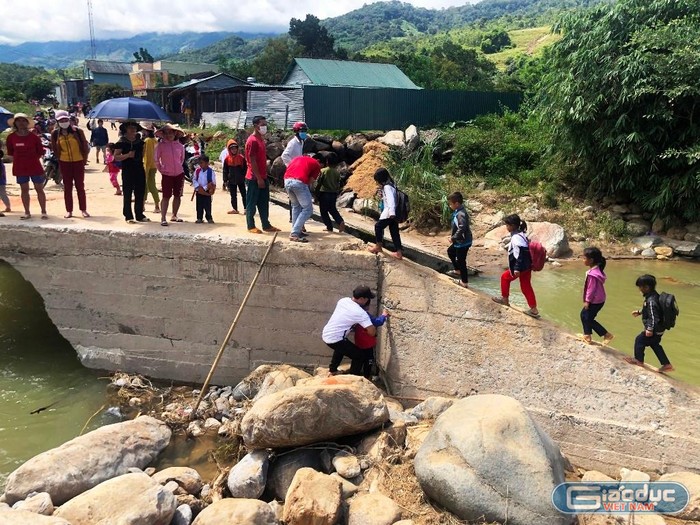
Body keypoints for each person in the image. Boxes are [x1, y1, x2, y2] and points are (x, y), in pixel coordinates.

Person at [322, 286, 379, 376]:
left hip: (327, 334)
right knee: (359, 356)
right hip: (336, 338)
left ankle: (332, 370)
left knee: (340, 348)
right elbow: (371, 332)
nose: (368, 301)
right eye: (367, 299)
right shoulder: (360, 313)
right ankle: (353, 377)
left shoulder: (343, 301)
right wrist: (374, 333)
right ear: (361, 299)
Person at [491, 214, 539, 318]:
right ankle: (534, 309)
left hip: (521, 267)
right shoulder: (522, 234)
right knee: (526, 286)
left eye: (507, 225)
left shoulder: (516, 237)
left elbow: (521, 253)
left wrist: (516, 268)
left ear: (512, 225)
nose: (506, 227)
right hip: (527, 266)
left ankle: (505, 299)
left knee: (504, 278)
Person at [625, 274, 674, 372]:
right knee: (655, 344)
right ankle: (667, 364)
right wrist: (640, 312)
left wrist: (649, 329)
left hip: (654, 328)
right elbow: (653, 310)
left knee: (639, 340)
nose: (639, 289)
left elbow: (653, 316)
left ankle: (638, 360)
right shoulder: (655, 296)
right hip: (660, 328)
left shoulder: (651, 300)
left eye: (640, 287)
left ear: (646, 287)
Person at [6, 113, 48, 220]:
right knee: (24, 189)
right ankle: (27, 212)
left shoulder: (34, 137)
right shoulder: (11, 138)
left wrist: (32, 159)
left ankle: (43, 211)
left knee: (39, 188)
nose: (21, 123)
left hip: (35, 167)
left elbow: (40, 151)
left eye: (23, 120)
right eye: (18, 121)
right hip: (20, 168)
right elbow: (10, 153)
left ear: (27, 123)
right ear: (15, 123)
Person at [245, 115, 280, 234]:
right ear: (255, 126)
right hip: (254, 177)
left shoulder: (261, 139)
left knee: (264, 202)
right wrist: (259, 178)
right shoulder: (252, 141)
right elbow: (252, 160)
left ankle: (266, 224)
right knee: (252, 202)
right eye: (262, 125)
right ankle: (250, 225)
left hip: (262, 176)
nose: (265, 127)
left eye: (265, 124)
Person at [52, 110, 90, 219]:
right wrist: (60, 160)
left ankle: (83, 209)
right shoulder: (55, 133)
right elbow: (55, 149)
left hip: (78, 161)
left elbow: (84, 147)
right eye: (61, 120)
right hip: (65, 163)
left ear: (69, 120)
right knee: (67, 187)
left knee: (80, 186)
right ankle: (69, 210)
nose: (64, 121)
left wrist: (84, 160)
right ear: (57, 121)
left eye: (65, 119)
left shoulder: (77, 132)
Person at [114, 120, 149, 223]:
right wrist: (128, 155)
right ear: (125, 129)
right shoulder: (121, 142)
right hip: (127, 169)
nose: (132, 129)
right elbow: (116, 157)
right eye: (130, 127)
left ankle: (139, 214)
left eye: (134, 127)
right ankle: (128, 216)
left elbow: (142, 154)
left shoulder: (140, 142)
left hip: (139, 168)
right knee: (128, 192)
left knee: (140, 192)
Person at [580, 247, 614, 345]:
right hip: (600, 299)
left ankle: (603, 335)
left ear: (591, 260)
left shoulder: (592, 274)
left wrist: (587, 301)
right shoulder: (597, 270)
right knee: (587, 317)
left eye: (584, 258)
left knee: (585, 316)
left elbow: (591, 289)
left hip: (595, 300)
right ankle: (588, 335)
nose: (583, 260)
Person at [154, 123, 186, 226]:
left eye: (171, 132)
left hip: (179, 174)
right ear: (163, 134)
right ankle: (163, 217)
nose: (169, 135)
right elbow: (156, 159)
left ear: (175, 133)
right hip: (167, 174)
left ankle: (174, 215)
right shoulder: (160, 146)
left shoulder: (180, 146)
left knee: (178, 195)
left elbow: (181, 159)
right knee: (166, 196)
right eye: (167, 133)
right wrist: (162, 169)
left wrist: (177, 168)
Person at [284, 154, 321, 242]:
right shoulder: (317, 164)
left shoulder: (297, 158)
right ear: (320, 161)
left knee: (296, 206)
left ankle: (297, 230)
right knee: (308, 209)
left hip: (287, 181)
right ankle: (294, 233)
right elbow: (310, 181)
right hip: (299, 182)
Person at [368, 168, 403, 259]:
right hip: (393, 212)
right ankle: (399, 252)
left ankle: (378, 246)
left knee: (378, 226)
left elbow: (391, 200)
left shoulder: (387, 187)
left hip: (389, 213)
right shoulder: (392, 185)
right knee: (394, 232)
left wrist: (391, 213)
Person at [353, 299, 390, 378]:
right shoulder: (365, 315)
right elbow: (377, 322)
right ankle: (367, 377)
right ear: (367, 306)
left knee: (357, 360)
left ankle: (354, 375)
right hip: (368, 345)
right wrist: (384, 315)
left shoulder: (354, 314)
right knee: (368, 360)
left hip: (359, 343)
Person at [282, 121, 308, 225]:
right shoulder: (293, 143)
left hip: (298, 173)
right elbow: (285, 156)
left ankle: (297, 223)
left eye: (305, 131)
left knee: (297, 201)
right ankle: (295, 221)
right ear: (296, 132)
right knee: (296, 201)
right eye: (302, 131)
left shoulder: (301, 142)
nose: (304, 133)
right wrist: (292, 166)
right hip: (293, 173)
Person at [445, 192, 472, 288]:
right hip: (460, 241)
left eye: (450, 204)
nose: (450, 205)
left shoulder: (461, 214)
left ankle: (464, 282)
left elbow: (462, 228)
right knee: (450, 251)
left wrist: (453, 238)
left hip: (463, 242)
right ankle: (457, 270)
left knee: (461, 260)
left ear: (456, 204)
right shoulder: (458, 212)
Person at [315, 153, 345, 233]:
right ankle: (340, 221)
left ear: (327, 162)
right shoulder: (337, 173)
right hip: (333, 194)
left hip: (324, 193)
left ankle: (329, 226)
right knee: (332, 209)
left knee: (323, 211)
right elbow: (339, 184)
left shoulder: (323, 171)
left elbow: (318, 183)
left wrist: (316, 195)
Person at [222, 139, 246, 214]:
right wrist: (225, 180)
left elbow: (245, 168)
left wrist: (244, 177)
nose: (234, 150)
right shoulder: (227, 159)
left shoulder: (241, 158)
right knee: (233, 195)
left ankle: (246, 209)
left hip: (240, 179)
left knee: (244, 194)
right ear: (229, 149)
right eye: (232, 149)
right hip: (231, 180)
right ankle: (235, 209)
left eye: (235, 148)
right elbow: (225, 170)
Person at [141, 124, 160, 214]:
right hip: (154, 165)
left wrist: (146, 169)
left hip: (148, 166)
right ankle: (146, 204)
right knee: (149, 185)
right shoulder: (155, 140)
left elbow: (148, 156)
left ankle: (154, 205)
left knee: (148, 185)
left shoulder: (147, 141)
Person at [192, 155, 216, 224]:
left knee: (207, 205)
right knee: (199, 205)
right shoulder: (197, 171)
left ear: (207, 163)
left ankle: (209, 217)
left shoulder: (211, 172)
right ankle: (199, 218)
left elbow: (212, 182)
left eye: (202, 163)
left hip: (207, 190)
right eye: (200, 163)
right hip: (199, 191)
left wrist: (206, 188)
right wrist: (197, 186)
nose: (200, 164)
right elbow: (194, 179)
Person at [0, 149, 10, 216]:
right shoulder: (1, 163)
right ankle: (8, 207)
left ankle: (8, 207)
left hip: (1, 181)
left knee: (3, 194)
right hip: (2, 181)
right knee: (3, 194)